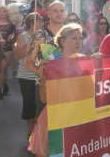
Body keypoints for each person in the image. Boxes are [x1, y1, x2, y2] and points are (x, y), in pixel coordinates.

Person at [29, 23, 85, 156]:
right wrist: (44, 74)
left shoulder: (85, 61)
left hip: (79, 115)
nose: (79, 42)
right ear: (62, 41)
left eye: (80, 38)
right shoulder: (51, 64)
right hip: (56, 117)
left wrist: (101, 61)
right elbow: (44, 98)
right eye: (74, 38)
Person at [25, 1, 67, 117]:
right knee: (46, 123)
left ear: (65, 14)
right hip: (46, 86)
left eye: (61, 11)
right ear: (48, 14)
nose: (59, 14)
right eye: (55, 11)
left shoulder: (70, 33)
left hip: (68, 84)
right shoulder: (39, 35)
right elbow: (28, 63)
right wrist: (44, 73)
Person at [15, 13, 43, 139]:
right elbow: (17, 56)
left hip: (41, 75)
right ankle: (30, 127)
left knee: (39, 102)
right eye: (40, 22)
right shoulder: (22, 36)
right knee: (29, 102)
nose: (42, 24)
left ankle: (38, 126)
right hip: (26, 76)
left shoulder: (44, 36)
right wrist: (31, 44)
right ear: (32, 24)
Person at [0, 6, 16, 99]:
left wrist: (11, 39)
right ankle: (5, 85)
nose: (2, 13)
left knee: (3, 69)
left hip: (7, 48)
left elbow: (14, 37)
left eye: (4, 12)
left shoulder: (11, 24)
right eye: (0, 12)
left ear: (6, 13)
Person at [7, 4, 22, 78]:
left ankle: (9, 69)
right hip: (16, 35)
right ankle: (13, 69)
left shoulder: (8, 19)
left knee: (9, 53)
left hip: (9, 36)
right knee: (11, 53)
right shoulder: (19, 18)